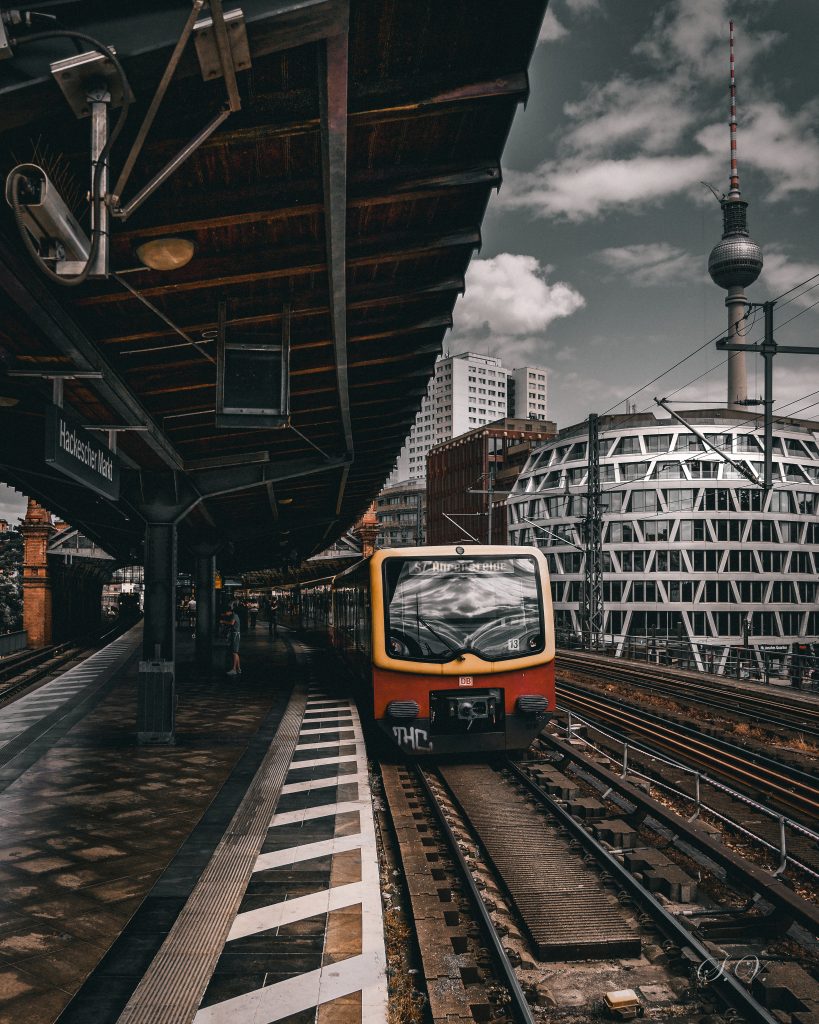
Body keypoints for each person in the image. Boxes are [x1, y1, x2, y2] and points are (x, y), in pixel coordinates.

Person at [226, 603, 241, 676]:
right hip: (236, 634)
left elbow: (231, 623)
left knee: (234, 652)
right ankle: (238, 669)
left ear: (229, 611)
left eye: (226, 612)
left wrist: (223, 622)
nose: (226, 614)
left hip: (235, 635)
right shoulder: (235, 615)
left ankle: (234, 669)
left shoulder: (234, 616)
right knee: (236, 652)